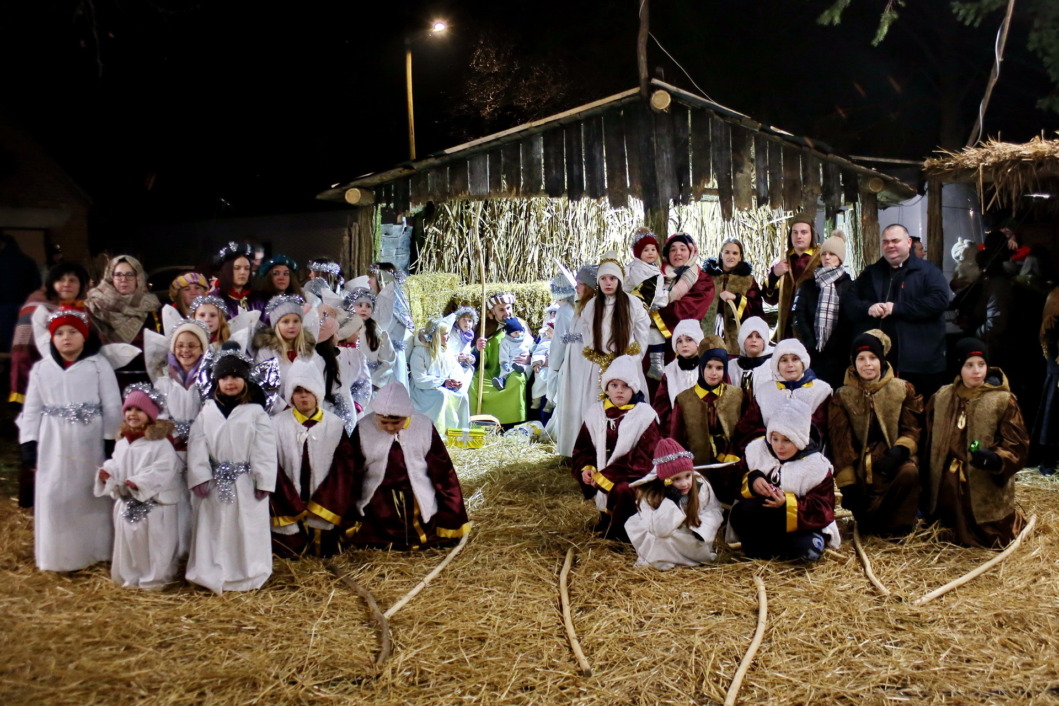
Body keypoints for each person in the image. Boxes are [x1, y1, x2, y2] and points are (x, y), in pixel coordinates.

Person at [19, 306, 122, 571]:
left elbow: (112, 405)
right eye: (60, 333)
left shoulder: (98, 365)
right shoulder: (42, 369)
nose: (66, 338)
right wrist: (29, 443)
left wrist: (111, 440)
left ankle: (95, 551)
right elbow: (31, 409)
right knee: (55, 494)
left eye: (73, 332)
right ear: (51, 338)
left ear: (84, 336)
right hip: (53, 441)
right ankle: (57, 556)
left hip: (90, 442)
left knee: (90, 495)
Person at [185, 342, 277, 594]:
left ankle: (248, 573)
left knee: (245, 529)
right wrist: (200, 474)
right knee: (213, 528)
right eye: (224, 377)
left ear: (245, 379)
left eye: (235, 376)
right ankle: (210, 573)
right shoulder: (207, 411)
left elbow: (265, 448)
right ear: (217, 381)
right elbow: (197, 443)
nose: (230, 382)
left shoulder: (255, 412)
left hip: (246, 481)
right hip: (215, 482)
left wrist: (264, 480)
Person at [923, 338, 1028, 548]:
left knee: (993, 536)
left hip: (983, 479)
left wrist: (995, 459)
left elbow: (1016, 444)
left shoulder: (1002, 400)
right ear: (959, 367)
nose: (976, 371)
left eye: (981, 365)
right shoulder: (942, 397)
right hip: (947, 478)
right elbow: (927, 440)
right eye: (969, 365)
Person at [341, 381, 470, 550]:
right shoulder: (364, 428)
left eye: (396, 423)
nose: (389, 427)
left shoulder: (423, 426)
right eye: (383, 422)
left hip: (416, 495)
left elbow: (443, 471)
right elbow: (351, 472)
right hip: (378, 497)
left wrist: (451, 513)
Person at [9, 262, 90, 508]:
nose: (66, 284)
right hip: (44, 391)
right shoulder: (36, 309)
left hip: (77, 393)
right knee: (45, 454)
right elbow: (22, 353)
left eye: (73, 280)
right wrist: (22, 394)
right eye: (61, 279)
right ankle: (41, 505)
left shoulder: (86, 311)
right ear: (52, 283)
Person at [828, 330, 923, 537]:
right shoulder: (843, 396)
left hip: (894, 462)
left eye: (872, 358)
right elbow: (840, 442)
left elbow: (913, 427)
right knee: (868, 520)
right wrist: (848, 484)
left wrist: (899, 451)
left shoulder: (902, 389)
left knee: (909, 473)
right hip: (862, 467)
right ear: (854, 363)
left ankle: (899, 526)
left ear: (882, 361)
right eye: (861, 359)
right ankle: (870, 521)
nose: (867, 364)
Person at [844, 223, 950, 399]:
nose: (890, 245)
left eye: (895, 241)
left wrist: (898, 308)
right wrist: (868, 308)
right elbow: (849, 301)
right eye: (885, 242)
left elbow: (939, 301)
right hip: (881, 365)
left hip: (920, 363)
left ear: (908, 242)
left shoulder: (928, 272)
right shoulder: (871, 273)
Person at [727, 398, 840, 562]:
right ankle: (768, 551)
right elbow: (733, 483)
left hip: (800, 525)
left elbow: (823, 508)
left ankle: (770, 551)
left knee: (808, 550)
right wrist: (752, 480)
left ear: (800, 438)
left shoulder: (817, 467)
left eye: (787, 440)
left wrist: (787, 502)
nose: (779, 446)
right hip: (765, 518)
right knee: (740, 514)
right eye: (775, 438)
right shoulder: (756, 451)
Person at [95, 384, 183, 589]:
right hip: (128, 503)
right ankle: (131, 576)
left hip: (153, 504)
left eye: (139, 410)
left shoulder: (160, 444)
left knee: (153, 543)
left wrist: (139, 482)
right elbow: (116, 463)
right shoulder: (123, 442)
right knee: (130, 542)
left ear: (151, 415)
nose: (132, 414)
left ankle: (154, 579)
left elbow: (163, 469)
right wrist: (108, 473)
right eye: (128, 410)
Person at [269, 360, 356, 558]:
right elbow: (271, 465)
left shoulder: (334, 425)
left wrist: (327, 500)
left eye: (308, 391)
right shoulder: (276, 425)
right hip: (288, 499)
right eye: (298, 391)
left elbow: (343, 468)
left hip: (324, 498)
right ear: (291, 394)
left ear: (317, 392)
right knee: (290, 553)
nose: (303, 396)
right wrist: (287, 499)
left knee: (323, 548)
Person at [571, 355, 660, 542]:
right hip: (603, 475)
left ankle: (624, 532)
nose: (619, 391)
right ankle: (607, 519)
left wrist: (607, 476)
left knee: (622, 489)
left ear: (634, 388)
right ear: (606, 388)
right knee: (610, 488)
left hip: (636, 478)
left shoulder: (645, 415)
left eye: (625, 386)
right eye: (614, 385)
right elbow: (583, 448)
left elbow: (644, 457)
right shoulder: (595, 412)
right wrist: (588, 468)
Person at [144, 317, 209, 558]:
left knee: (198, 498)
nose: (185, 351)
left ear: (202, 348)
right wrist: (170, 434)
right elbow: (159, 414)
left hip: (200, 449)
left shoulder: (208, 381)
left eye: (192, 345)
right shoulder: (163, 382)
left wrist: (197, 436)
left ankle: (198, 552)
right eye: (180, 345)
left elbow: (209, 412)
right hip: (173, 449)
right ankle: (176, 552)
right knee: (176, 499)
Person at [626, 438, 724, 570]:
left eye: (688, 476)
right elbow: (659, 531)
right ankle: (665, 561)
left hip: (691, 533)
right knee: (659, 542)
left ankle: (690, 557)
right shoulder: (650, 494)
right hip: (664, 535)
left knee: (692, 545)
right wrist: (671, 502)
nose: (685, 483)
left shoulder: (701, 484)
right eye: (676, 479)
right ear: (664, 480)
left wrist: (702, 530)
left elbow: (714, 510)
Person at [669, 335, 745, 502]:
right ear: (701, 367)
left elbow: (744, 431)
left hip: (730, 465)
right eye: (709, 367)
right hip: (696, 466)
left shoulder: (736, 395)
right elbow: (676, 439)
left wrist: (732, 454)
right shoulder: (684, 399)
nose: (713, 373)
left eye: (719, 368)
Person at [577, 252, 650, 416]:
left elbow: (642, 333)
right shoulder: (591, 306)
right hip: (598, 365)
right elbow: (587, 334)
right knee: (597, 408)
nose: (608, 283)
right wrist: (597, 358)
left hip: (627, 363)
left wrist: (634, 358)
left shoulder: (633, 304)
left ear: (620, 280)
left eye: (612, 278)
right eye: (603, 279)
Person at [734, 337, 832, 455]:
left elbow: (820, 431)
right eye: (784, 360)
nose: (790, 365)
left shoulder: (821, 391)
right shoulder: (764, 392)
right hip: (767, 455)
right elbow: (747, 428)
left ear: (803, 362)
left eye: (795, 359)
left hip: (807, 457)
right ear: (777, 364)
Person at [84, 254, 163, 389]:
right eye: (118, 274)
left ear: (138, 277)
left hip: (146, 384)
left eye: (129, 274)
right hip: (106, 383)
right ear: (110, 277)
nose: (123, 279)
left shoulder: (153, 309)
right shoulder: (95, 307)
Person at [791, 230, 854, 388]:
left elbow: (850, 318)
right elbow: (798, 314)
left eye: (832, 254)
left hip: (839, 354)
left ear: (840, 258)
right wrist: (809, 340)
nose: (827, 258)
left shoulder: (850, 286)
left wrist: (835, 343)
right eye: (824, 254)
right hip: (811, 352)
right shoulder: (808, 285)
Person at [546, 265, 598, 456]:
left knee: (577, 404)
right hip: (578, 361)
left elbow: (577, 337)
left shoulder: (575, 309)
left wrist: (553, 365)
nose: (577, 287)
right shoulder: (578, 307)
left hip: (581, 363)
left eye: (581, 284)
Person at [470, 292, 532, 424]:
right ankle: (481, 422)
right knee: (474, 383)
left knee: (517, 379)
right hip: (490, 371)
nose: (507, 312)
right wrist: (478, 349)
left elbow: (532, 345)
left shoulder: (520, 324)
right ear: (493, 311)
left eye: (508, 308)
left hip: (512, 368)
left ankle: (514, 424)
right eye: (501, 309)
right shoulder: (485, 328)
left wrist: (529, 358)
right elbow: (473, 356)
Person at [654, 233, 715, 367]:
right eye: (673, 249)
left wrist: (655, 316)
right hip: (653, 342)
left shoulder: (701, 278)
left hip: (686, 343)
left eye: (683, 249)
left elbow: (689, 309)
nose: (678, 253)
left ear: (691, 251)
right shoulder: (658, 276)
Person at [762, 214, 821, 342]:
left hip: (812, 328)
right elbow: (770, 299)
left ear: (812, 234)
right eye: (795, 232)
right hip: (786, 330)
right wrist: (774, 275)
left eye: (804, 232)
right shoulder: (782, 259)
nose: (799, 236)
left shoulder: (821, 259)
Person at [409, 314, 470, 433]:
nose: (448, 337)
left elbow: (454, 369)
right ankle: (439, 432)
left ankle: (461, 432)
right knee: (441, 395)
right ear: (437, 335)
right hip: (423, 391)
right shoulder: (419, 351)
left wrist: (455, 381)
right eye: (445, 334)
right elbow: (419, 379)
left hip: (443, 386)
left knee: (463, 395)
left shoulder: (445, 351)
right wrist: (442, 382)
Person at [702, 238, 764, 355]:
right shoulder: (706, 278)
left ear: (740, 256)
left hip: (736, 339)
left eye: (735, 253)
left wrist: (737, 298)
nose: (731, 256)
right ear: (721, 254)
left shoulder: (748, 281)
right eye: (727, 252)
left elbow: (756, 308)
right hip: (708, 334)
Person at [623, 228, 669, 379]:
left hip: (649, 307)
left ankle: (656, 364)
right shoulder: (637, 269)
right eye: (646, 250)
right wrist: (666, 296)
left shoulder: (652, 268)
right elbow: (651, 291)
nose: (650, 253)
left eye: (653, 249)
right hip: (637, 308)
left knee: (657, 333)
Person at [366, 263, 415, 390]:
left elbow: (379, 331)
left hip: (387, 360)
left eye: (371, 278)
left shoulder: (389, 303)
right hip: (385, 357)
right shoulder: (383, 301)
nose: (368, 281)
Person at [253, 294, 319, 384]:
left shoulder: (309, 350)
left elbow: (317, 383)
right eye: (285, 322)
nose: (291, 326)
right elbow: (263, 386)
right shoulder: (266, 353)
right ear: (276, 325)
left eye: (296, 321)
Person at [652, 319, 703, 433]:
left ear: (698, 342)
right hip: (677, 426)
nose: (684, 344)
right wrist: (673, 423)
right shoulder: (670, 371)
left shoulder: (707, 366)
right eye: (679, 341)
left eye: (689, 340)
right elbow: (661, 406)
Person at [347, 284, 396, 399]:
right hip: (348, 382)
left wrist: (375, 382)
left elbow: (388, 360)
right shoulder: (345, 331)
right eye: (360, 305)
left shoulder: (378, 333)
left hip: (369, 384)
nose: (364, 309)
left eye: (368, 306)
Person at [0, 234, 43, 352]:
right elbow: (37, 285)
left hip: (3, 307)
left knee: (5, 337)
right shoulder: (28, 261)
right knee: (22, 338)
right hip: (25, 306)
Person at [208, 242, 259, 320]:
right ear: (226, 270)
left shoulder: (256, 299)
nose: (243, 272)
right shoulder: (214, 299)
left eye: (247, 268)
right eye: (237, 268)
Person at [727, 316, 773, 400]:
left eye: (758, 336)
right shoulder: (732, 366)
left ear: (764, 341)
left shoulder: (772, 365)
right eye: (749, 336)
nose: (754, 340)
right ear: (742, 340)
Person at [493, 317, 532, 391]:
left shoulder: (526, 338)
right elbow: (503, 353)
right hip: (511, 361)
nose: (519, 334)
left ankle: (521, 369)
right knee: (506, 371)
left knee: (526, 367)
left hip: (524, 361)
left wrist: (533, 351)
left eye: (520, 331)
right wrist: (504, 363)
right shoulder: (505, 341)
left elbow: (532, 346)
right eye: (515, 333)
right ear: (509, 333)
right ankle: (501, 381)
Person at [530, 322, 553, 412]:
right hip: (543, 366)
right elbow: (539, 352)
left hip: (556, 368)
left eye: (550, 330)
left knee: (554, 381)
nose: (547, 332)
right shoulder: (545, 341)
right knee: (540, 377)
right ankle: (536, 398)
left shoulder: (561, 342)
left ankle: (550, 402)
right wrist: (537, 363)